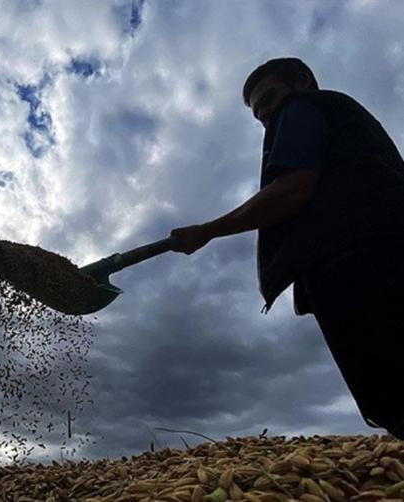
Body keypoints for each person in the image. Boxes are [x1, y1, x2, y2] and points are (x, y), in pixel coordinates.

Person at [168, 57, 404, 439]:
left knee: (392, 395)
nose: (268, 116)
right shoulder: (354, 125)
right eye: (260, 114)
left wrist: (207, 231)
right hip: (383, 249)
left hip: (358, 264)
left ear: (302, 82)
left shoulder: (303, 107)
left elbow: (294, 187)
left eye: (271, 100)